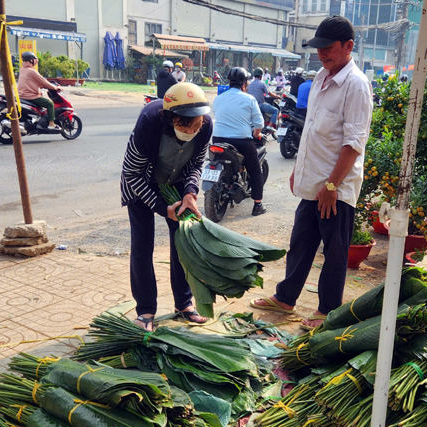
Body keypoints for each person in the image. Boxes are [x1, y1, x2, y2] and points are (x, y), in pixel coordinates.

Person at [250, 15, 373, 329]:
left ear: (348, 46)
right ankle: (285, 298)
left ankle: (328, 311)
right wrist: (300, 170)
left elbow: (354, 142)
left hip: (335, 188)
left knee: (334, 252)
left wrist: (332, 185)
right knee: (301, 243)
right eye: (318, 48)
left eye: (328, 48)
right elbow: (312, 129)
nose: (322, 54)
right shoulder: (320, 77)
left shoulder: (356, 85)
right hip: (312, 180)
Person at [120, 82, 213, 331]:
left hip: (177, 183)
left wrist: (190, 194)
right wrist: (162, 207)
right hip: (141, 184)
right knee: (142, 246)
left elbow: (196, 164)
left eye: (198, 124)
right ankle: (145, 310)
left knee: (182, 244)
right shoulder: (149, 122)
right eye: (187, 125)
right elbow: (131, 172)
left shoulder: (205, 126)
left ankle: (184, 303)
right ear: (171, 119)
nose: (193, 130)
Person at [212, 67, 267, 216]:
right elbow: (259, 123)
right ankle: (258, 205)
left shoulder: (219, 98)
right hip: (241, 141)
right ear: (244, 83)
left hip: (218, 140)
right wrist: (257, 134)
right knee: (256, 171)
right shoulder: (249, 99)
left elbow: (217, 113)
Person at [17, 51, 62, 129]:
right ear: (31, 60)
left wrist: (40, 85)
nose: (36, 61)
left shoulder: (22, 69)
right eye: (34, 59)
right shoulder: (32, 71)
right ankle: (51, 123)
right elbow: (43, 81)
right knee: (50, 104)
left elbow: (30, 81)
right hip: (30, 96)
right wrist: (55, 88)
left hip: (21, 95)